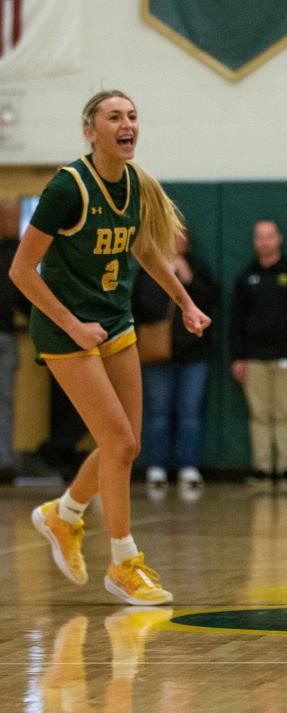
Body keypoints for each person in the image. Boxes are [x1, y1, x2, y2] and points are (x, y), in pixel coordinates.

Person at [9, 90, 211, 605]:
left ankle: (64, 514)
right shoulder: (67, 187)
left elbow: (145, 249)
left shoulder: (137, 185)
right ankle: (123, 562)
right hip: (65, 329)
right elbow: (21, 271)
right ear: (90, 130)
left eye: (133, 115)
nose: (128, 124)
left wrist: (185, 303)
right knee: (118, 442)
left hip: (114, 323)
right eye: (114, 116)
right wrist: (73, 325)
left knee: (126, 443)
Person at [229, 219, 287, 493]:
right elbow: (235, 320)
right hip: (254, 358)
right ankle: (263, 470)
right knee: (259, 415)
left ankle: (286, 470)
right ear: (255, 242)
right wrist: (238, 357)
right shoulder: (246, 278)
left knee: (284, 413)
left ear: (278, 238)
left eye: (269, 237)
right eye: (260, 237)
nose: (265, 242)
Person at [132, 228, 219, 491]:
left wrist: (188, 280)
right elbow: (140, 304)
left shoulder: (197, 267)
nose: (176, 243)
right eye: (171, 237)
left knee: (189, 413)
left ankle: (187, 466)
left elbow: (210, 300)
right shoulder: (149, 269)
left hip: (193, 353)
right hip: (158, 353)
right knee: (159, 413)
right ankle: (157, 466)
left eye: (181, 238)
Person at [0, 199, 31, 481]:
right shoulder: (15, 254)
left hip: (6, 335)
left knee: (5, 400)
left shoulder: (17, 252)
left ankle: (4, 462)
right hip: (6, 336)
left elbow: (22, 298)